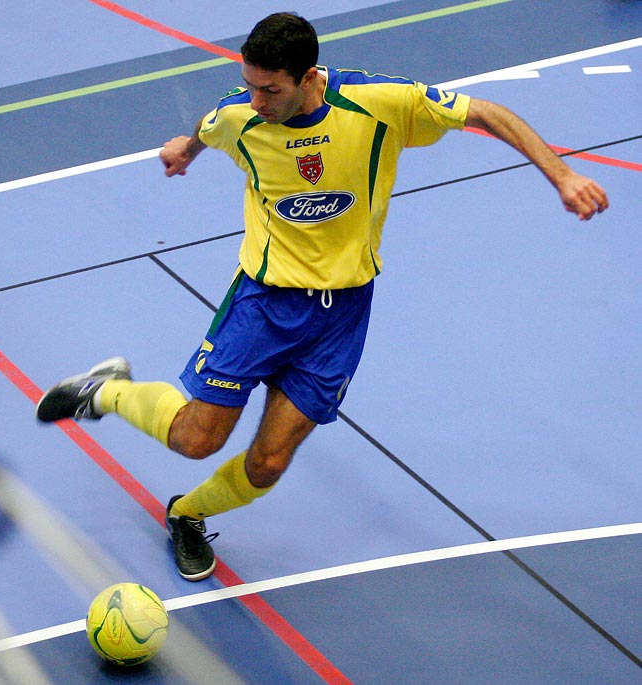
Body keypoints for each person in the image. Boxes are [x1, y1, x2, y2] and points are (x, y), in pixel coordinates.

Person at [36, 12, 609, 581]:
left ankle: (186, 515)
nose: (256, 99)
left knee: (267, 463)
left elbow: (488, 112)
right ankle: (105, 391)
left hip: (341, 315)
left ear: (309, 79)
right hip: (263, 303)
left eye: (270, 89)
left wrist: (561, 177)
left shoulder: (380, 104)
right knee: (195, 440)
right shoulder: (239, 116)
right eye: (250, 84)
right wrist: (183, 152)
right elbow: (206, 133)